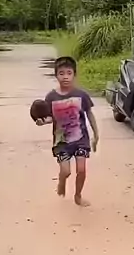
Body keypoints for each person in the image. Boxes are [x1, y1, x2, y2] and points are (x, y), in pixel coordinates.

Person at [37, 55, 99, 206]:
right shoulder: (51, 97)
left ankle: (78, 195)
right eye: (61, 73)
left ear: (74, 74)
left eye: (69, 73)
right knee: (66, 171)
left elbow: (89, 114)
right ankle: (62, 180)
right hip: (62, 142)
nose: (65, 77)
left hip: (81, 139)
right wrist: (42, 121)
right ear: (56, 75)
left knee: (81, 170)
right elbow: (50, 117)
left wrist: (96, 135)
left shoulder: (81, 95)